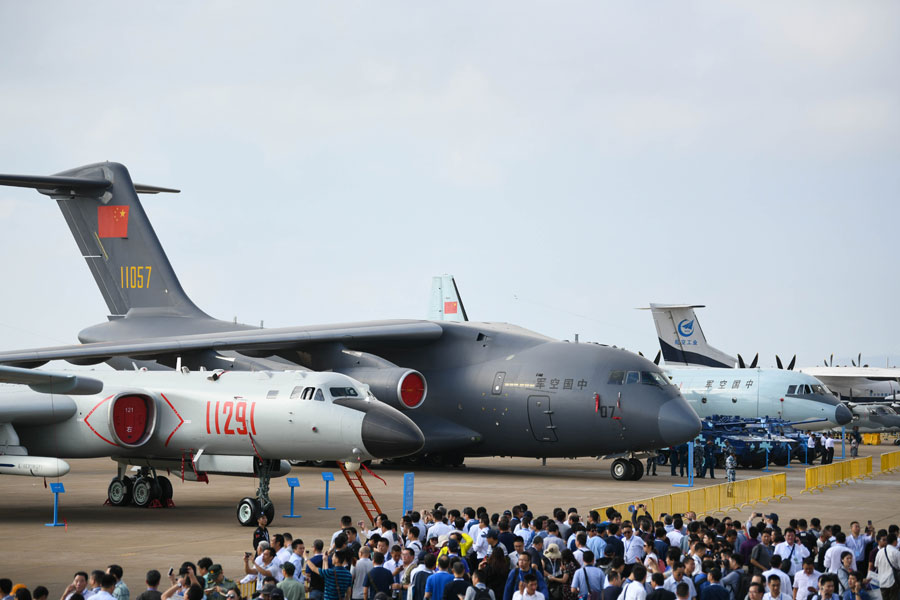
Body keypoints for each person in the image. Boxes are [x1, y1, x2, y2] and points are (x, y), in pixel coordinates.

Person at [874, 533, 900, 600]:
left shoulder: (879, 552)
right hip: (893, 581)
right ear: (895, 541)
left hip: (882, 582)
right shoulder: (896, 552)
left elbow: (876, 565)